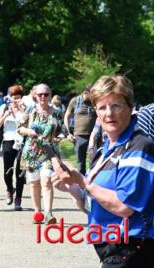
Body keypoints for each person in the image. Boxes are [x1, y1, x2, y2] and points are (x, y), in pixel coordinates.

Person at [52, 75, 154, 267]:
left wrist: (84, 183)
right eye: (102, 107)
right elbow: (93, 203)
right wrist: (72, 187)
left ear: (130, 107)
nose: (109, 113)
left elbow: (124, 207)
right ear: (96, 113)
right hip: (110, 247)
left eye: (116, 105)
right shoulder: (105, 149)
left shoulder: (138, 146)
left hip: (133, 248)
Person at [17, 83, 65, 225]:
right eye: (40, 94)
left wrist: (60, 137)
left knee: (46, 181)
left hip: (49, 152)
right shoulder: (30, 110)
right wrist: (28, 131)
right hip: (32, 152)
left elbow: (62, 130)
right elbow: (19, 128)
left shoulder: (56, 112)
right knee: (34, 183)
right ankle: (37, 212)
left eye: (46, 94)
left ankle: (48, 213)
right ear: (35, 96)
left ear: (50, 95)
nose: (43, 97)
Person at [0, 85, 26, 211]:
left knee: (20, 171)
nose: (15, 100)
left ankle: (18, 199)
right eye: (13, 97)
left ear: (21, 98)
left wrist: (19, 111)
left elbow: (26, 123)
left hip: (22, 141)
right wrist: (6, 114)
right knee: (7, 171)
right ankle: (9, 189)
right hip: (8, 140)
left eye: (18, 98)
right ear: (9, 97)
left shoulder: (25, 109)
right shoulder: (4, 107)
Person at [64, 84, 97, 175]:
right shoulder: (75, 101)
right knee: (80, 162)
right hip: (79, 136)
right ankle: (81, 184)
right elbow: (67, 116)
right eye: (91, 94)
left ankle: (93, 182)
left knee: (95, 160)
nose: (93, 97)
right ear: (85, 93)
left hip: (94, 135)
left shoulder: (95, 101)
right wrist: (68, 132)